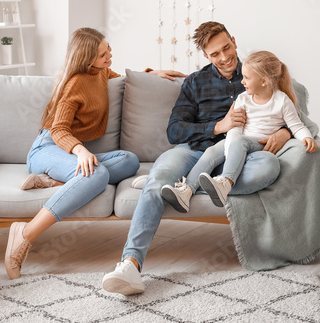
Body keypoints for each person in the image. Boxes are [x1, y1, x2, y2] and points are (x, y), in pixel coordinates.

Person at [101, 21, 291, 295]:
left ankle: (185, 185)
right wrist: (217, 127)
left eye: (227, 48)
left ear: (234, 41)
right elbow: (175, 129)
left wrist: (285, 132)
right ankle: (130, 265)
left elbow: (292, 111)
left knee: (270, 166)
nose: (224, 57)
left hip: (238, 156)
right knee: (157, 183)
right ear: (206, 56)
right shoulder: (195, 82)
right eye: (215, 54)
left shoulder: (259, 71)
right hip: (195, 150)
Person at [4, 28, 145, 280]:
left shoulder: (99, 71)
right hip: (47, 148)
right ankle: (25, 234)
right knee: (97, 174)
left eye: (108, 48)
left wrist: (151, 75)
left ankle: (53, 182)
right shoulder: (74, 84)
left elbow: (119, 76)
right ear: (87, 59)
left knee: (129, 160)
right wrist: (80, 150)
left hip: (65, 154)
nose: (109, 55)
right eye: (103, 54)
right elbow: (58, 129)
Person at [161, 50, 318, 210]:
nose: (242, 82)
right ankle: (186, 191)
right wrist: (229, 151)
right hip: (239, 141)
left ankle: (225, 183)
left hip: (259, 143)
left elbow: (296, 125)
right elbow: (235, 129)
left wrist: (306, 138)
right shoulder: (243, 99)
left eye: (247, 78)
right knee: (212, 151)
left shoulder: (282, 101)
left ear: (264, 81)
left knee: (241, 142)